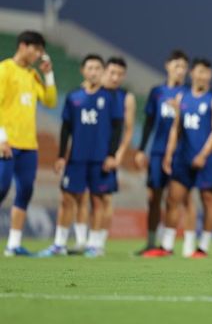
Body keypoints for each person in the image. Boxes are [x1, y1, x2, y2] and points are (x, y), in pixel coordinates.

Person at [38, 54, 123, 257]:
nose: (93, 72)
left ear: (102, 72)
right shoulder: (74, 97)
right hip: (76, 157)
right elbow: (66, 128)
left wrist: (111, 155)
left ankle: (94, 244)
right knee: (67, 198)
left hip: (100, 159)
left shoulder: (111, 97)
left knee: (98, 200)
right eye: (90, 68)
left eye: (97, 68)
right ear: (83, 71)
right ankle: (59, 243)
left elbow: (117, 128)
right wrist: (60, 156)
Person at [143, 58, 212, 258]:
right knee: (173, 199)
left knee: (208, 199)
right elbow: (176, 128)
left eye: (206, 72)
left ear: (210, 75)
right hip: (183, 157)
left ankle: (203, 247)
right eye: (198, 71)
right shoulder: (183, 97)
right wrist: (169, 153)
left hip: (207, 158)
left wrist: (203, 154)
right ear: (192, 74)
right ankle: (167, 246)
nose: (202, 75)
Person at [0, 31, 57, 256]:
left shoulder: (33, 76)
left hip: (28, 146)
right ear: (23, 46)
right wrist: (1, 138)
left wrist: (49, 75)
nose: (38, 55)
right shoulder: (4, 70)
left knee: (25, 191)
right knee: (1, 188)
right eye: (36, 50)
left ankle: (13, 244)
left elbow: (51, 101)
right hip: (7, 142)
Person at [134, 50, 189, 254]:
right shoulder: (157, 92)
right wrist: (141, 149)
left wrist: (179, 112)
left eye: (183, 67)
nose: (180, 70)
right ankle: (150, 243)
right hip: (157, 152)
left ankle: (168, 245)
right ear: (167, 66)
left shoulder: (188, 94)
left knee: (175, 199)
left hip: (180, 153)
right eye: (177, 66)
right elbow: (148, 122)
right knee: (153, 198)